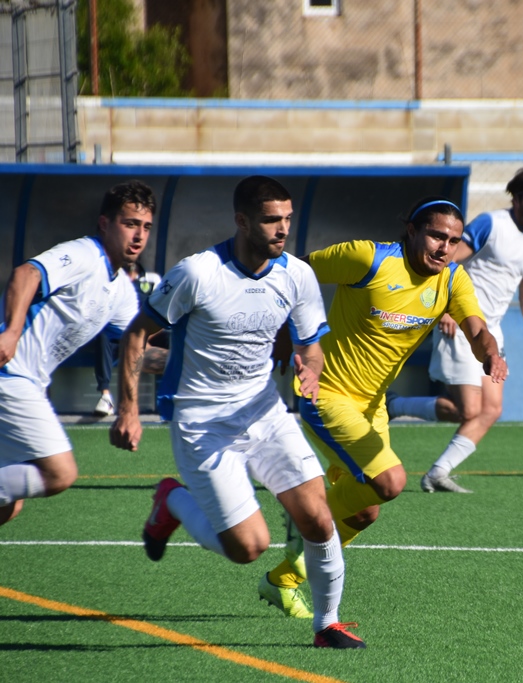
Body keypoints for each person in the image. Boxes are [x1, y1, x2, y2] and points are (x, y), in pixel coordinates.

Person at [109, 176, 363, 649]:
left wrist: (310, 371)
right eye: (271, 220)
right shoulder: (198, 273)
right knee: (248, 547)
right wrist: (128, 409)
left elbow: (311, 347)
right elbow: (136, 335)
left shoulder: (297, 275)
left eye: (287, 218)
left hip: (265, 412)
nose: (282, 229)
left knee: (317, 517)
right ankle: (172, 500)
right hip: (203, 423)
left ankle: (327, 625)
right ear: (242, 221)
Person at [258, 196, 507, 617]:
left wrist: (490, 355)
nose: (444, 248)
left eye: (453, 241)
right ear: (411, 230)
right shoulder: (367, 258)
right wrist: (286, 330)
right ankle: (306, 515)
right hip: (326, 394)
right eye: (436, 236)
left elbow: (477, 329)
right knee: (390, 481)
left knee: (365, 511)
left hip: (373, 408)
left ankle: (282, 579)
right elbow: (292, 271)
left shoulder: (452, 280)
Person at [387, 168, 523, 493]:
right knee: (467, 410)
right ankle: (395, 406)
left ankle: (438, 472)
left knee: (491, 410)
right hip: (461, 323)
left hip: (491, 333)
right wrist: (448, 308)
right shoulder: (492, 224)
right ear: (516, 198)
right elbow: (447, 262)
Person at [0, 180, 154, 526]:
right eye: (130, 224)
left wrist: (194, 363)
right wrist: (11, 332)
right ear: (105, 223)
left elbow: (137, 350)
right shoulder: (85, 254)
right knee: (59, 472)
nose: (139, 236)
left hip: (26, 382)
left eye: (146, 227)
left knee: (8, 506)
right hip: (9, 373)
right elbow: (26, 274)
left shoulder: (122, 290)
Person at [93, 262, 163, 417]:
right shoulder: (110, 279)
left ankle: (170, 398)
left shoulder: (152, 279)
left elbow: (161, 311)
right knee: (103, 336)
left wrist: (145, 337)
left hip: (146, 332)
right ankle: (105, 396)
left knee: (173, 337)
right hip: (118, 333)